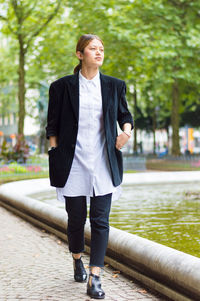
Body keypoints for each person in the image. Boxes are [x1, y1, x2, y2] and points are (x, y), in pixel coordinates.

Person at [46, 34, 133, 299]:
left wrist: (126, 132)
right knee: (75, 220)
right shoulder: (61, 87)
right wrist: (54, 150)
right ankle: (76, 258)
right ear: (79, 54)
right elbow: (52, 125)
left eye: (101, 49)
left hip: (104, 162)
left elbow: (125, 115)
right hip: (72, 162)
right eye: (93, 48)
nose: (99, 52)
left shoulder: (114, 86)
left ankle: (95, 276)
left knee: (100, 220)